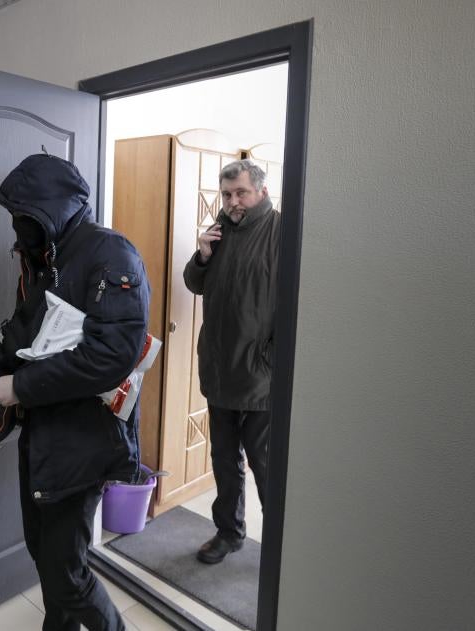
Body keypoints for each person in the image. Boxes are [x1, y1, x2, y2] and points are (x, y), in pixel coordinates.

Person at [0, 154, 150, 631]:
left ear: (53, 210)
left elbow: (112, 357)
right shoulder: (43, 264)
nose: (17, 228)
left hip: (84, 443)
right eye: (13, 217)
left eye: (23, 215)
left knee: (67, 572)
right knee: (45, 554)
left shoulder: (110, 255)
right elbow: (13, 351)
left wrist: (19, 387)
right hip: (41, 439)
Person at [183, 159, 280, 564]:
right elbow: (193, 282)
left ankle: (278, 542)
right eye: (226, 194)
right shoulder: (219, 232)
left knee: (265, 462)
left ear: (259, 190)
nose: (233, 201)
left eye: (240, 192)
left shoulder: (282, 232)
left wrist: (274, 359)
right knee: (223, 459)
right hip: (220, 370)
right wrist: (203, 255)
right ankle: (228, 533)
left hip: (262, 376)